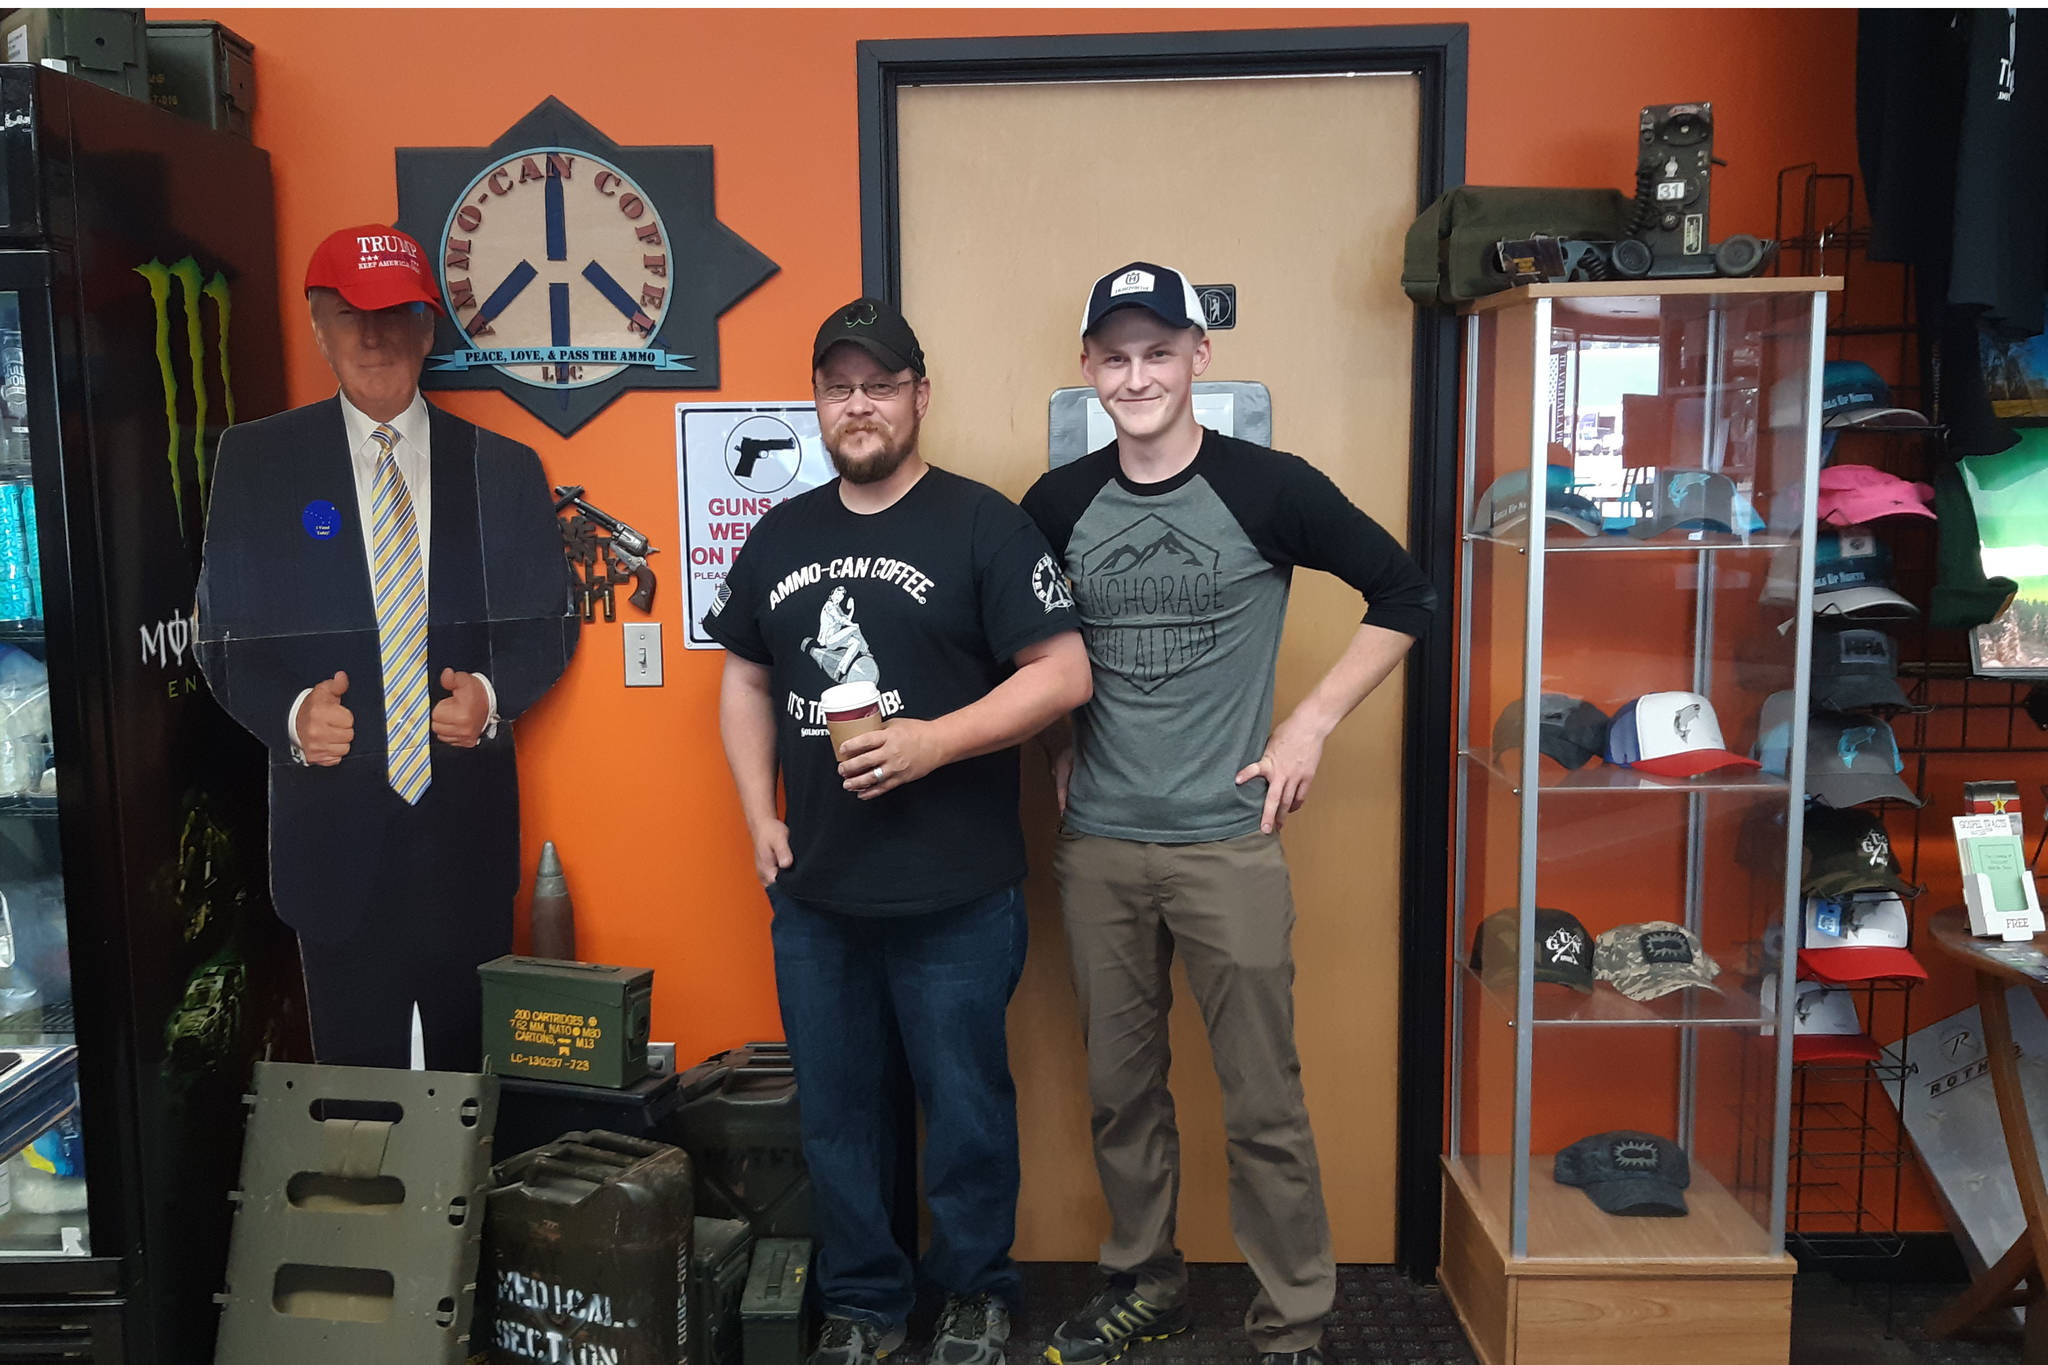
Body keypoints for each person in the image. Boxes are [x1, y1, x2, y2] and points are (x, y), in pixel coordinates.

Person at [1020, 262, 1438, 1365]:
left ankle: (1292, 1323)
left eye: (1157, 351)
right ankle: (1144, 1284)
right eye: (1114, 356)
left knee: (1261, 1103)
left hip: (1225, 843)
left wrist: (1306, 727)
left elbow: (1405, 594)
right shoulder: (1054, 506)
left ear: (1198, 357)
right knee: (1120, 1095)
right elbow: (1030, 650)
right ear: (1087, 371)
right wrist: (1058, 741)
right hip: (1100, 848)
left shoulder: (1268, 487)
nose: (1136, 374)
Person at [705, 298, 1091, 1365]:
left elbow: (1062, 673)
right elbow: (741, 677)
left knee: (964, 1109)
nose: (859, 404)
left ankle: (974, 1290)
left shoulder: (982, 524)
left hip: (955, 894)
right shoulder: (782, 533)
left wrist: (934, 743)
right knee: (835, 1116)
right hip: (818, 894)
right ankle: (866, 1302)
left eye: (880, 384)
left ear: (919, 397)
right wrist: (755, 815)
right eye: (839, 387)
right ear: (818, 405)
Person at [195, 225, 578, 1070]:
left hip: (464, 847)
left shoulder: (503, 467)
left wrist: (489, 693)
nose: (374, 336)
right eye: (349, 315)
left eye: (395, 314)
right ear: (316, 324)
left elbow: (549, 623)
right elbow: (221, 636)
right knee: (351, 1106)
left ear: (427, 327)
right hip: (330, 848)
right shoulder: (259, 463)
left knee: (467, 1099)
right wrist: (293, 716)